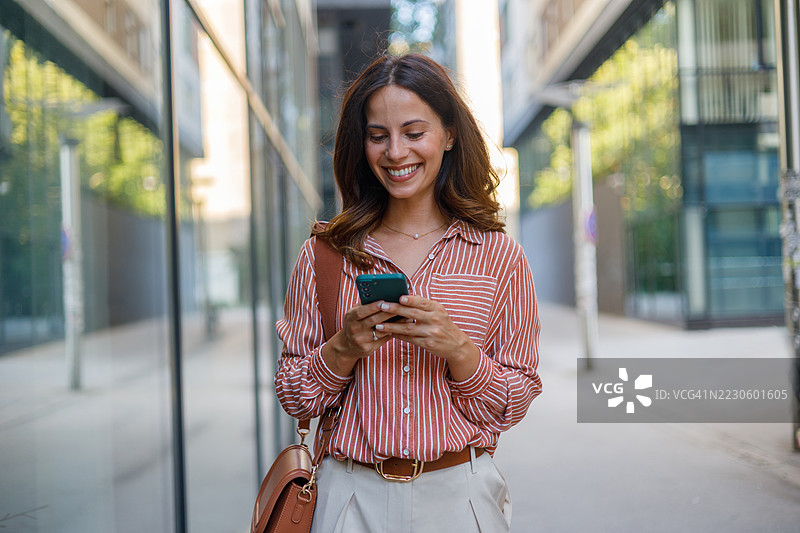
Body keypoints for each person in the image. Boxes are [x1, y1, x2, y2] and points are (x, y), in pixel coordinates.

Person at [275, 53, 542, 533]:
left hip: (459, 496)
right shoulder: (324, 254)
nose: (396, 152)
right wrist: (343, 348)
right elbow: (295, 396)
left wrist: (458, 349)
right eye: (379, 136)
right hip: (349, 496)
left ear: (450, 135)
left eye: (414, 133)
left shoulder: (500, 256)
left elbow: (513, 402)